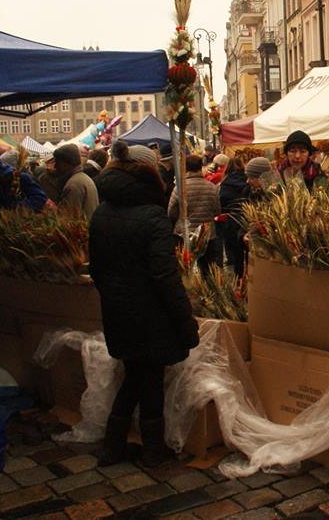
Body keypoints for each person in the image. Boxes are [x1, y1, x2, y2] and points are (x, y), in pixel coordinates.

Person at [89, 141, 199, 467]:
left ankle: (114, 445)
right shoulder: (152, 216)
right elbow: (166, 277)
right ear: (150, 172)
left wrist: (115, 296)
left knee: (136, 375)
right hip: (152, 315)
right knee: (148, 379)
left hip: (118, 310)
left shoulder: (101, 212)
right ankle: (152, 450)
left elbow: (96, 269)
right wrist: (185, 322)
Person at [169, 154, 222, 273]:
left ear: (185, 168)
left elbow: (171, 211)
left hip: (184, 234)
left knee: (185, 269)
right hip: (207, 235)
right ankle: (207, 291)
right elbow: (217, 211)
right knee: (208, 269)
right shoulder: (212, 187)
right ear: (200, 167)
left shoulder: (179, 188)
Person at [218, 158, 249, 276]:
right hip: (247, 218)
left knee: (233, 246)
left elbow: (222, 200)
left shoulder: (226, 182)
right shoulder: (247, 179)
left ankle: (237, 274)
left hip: (232, 218)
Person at [53, 144, 99, 220]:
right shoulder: (83, 178)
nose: (55, 166)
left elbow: (68, 219)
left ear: (65, 163)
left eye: (57, 162)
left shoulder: (74, 185)